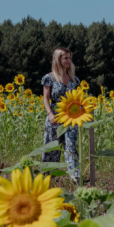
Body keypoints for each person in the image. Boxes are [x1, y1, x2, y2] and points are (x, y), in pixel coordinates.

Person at [42, 47, 80, 182]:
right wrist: (50, 114)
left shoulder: (74, 79)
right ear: (58, 59)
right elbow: (45, 98)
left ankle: (75, 176)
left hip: (71, 117)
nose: (68, 60)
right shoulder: (49, 78)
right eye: (65, 58)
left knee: (71, 146)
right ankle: (49, 177)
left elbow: (77, 99)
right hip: (55, 117)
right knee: (52, 147)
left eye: (69, 58)